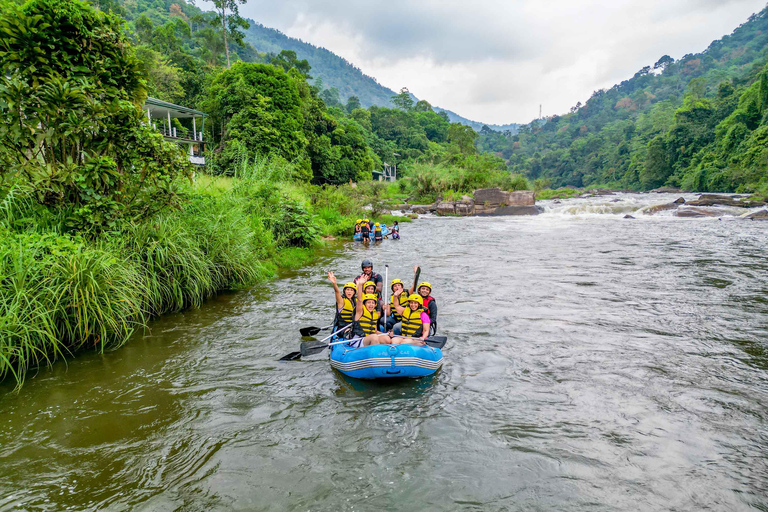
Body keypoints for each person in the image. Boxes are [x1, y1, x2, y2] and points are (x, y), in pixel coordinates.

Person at [350, 275, 392, 347]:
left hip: (369, 338)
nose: (371, 305)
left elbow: (375, 331)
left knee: (386, 339)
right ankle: (375, 354)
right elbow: (360, 300)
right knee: (374, 337)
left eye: (373, 303)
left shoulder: (374, 314)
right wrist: (360, 285)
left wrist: (387, 334)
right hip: (358, 340)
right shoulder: (360, 311)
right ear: (365, 304)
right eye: (369, 302)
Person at [409, 266, 437, 334]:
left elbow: (433, 319)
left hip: (424, 325)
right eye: (423, 289)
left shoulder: (431, 303)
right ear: (419, 290)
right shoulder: (414, 298)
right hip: (412, 322)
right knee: (396, 327)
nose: (425, 291)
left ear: (429, 292)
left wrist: (422, 324)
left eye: (427, 290)